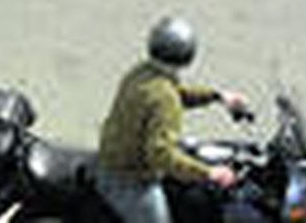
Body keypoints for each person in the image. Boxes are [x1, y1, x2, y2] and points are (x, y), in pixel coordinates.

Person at [96, 17, 248, 223]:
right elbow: (162, 155)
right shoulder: (164, 97)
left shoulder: (143, 72)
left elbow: (177, 93)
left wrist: (217, 96)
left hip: (115, 160)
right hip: (128, 179)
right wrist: (208, 173)